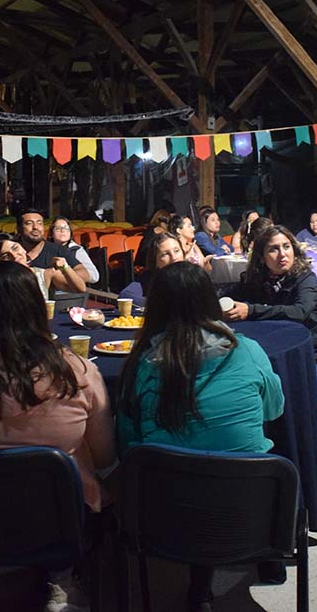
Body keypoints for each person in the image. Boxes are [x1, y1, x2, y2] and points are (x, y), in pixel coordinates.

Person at [0, 261, 114, 611]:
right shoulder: (76, 371)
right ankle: (64, 577)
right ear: (37, 307)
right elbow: (105, 458)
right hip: (59, 523)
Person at [117, 262, 283, 612]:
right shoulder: (247, 351)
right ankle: (268, 556)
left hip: (163, 517)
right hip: (249, 513)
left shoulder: (142, 366)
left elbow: (127, 446)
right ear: (211, 300)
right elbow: (274, 410)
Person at [224, 225, 317, 489]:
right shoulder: (258, 283)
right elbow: (230, 294)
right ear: (261, 257)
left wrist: (252, 310)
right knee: (252, 391)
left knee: (279, 395)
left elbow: (299, 312)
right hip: (277, 365)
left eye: (286, 247)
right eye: (273, 249)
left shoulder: (305, 279)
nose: (282, 254)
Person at [4, 208, 89, 294]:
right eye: (29, 223)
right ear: (19, 229)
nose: (35, 227)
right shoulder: (12, 252)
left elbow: (84, 275)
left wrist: (60, 275)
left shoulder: (58, 250)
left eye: (39, 223)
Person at [49, 217, 100, 285]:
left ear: (70, 233)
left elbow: (94, 276)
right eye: (58, 228)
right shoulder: (45, 249)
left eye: (66, 228)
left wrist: (67, 276)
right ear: (51, 233)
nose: (62, 231)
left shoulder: (76, 250)